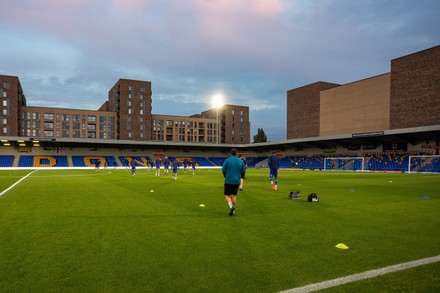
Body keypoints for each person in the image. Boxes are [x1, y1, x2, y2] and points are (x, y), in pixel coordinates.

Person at [222, 148, 246, 216]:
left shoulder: (227, 160)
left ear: (230, 153)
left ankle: (231, 206)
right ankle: (234, 209)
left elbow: (223, 169)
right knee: (234, 195)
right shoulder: (240, 161)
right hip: (236, 181)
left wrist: (225, 176)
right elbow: (243, 171)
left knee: (226, 195)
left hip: (228, 180)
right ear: (237, 153)